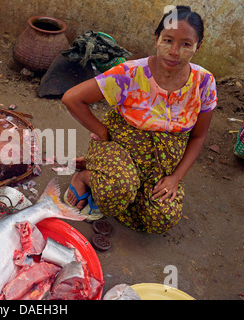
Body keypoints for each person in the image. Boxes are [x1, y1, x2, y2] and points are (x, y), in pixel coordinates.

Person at [61, 6, 217, 234]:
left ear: (197, 47)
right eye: (168, 40)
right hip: (118, 151)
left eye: (185, 44)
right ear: (156, 39)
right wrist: (103, 133)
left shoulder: (204, 82)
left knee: (162, 218)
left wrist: (175, 178)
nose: (174, 51)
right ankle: (86, 176)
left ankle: (113, 181)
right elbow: (72, 99)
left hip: (160, 167)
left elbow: (199, 136)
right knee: (117, 190)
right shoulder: (132, 73)